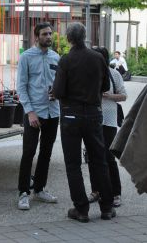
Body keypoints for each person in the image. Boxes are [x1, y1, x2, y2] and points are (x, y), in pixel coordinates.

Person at [52, 22, 116, 222]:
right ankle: (106, 207)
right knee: (99, 161)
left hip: (71, 116)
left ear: (69, 39)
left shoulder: (66, 60)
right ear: (85, 36)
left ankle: (81, 209)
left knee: (73, 164)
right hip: (94, 114)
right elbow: (106, 85)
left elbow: (59, 91)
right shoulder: (98, 58)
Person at [17, 22, 59, 211]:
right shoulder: (26, 57)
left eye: (50, 33)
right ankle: (23, 192)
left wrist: (58, 92)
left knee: (46, 153)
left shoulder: (56, 57)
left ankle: (40, 189)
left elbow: (59, 83)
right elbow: (21, 86)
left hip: (53, 111)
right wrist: (30, 111)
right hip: (34, 112)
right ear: (36, 36)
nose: (49, 37)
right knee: (28, 152)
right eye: (45, 34)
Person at [88, 46, 127, 208]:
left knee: (108, 157)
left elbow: (124, 96)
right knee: (91, 156)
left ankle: (116, 193)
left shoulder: (114, 74)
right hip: (91, 119)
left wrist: (110, 96)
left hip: (108, 121)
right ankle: (96, 190)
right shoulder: (89, 74)